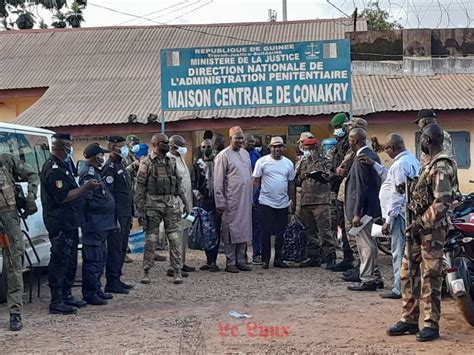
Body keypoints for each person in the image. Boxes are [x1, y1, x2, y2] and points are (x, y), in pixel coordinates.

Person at [387, 123, 458, 342]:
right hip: (417, 229)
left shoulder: (441, 165)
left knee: (431, 276)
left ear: (427, 141)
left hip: (432, 230)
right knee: (407, 273)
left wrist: (420, 223)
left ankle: (430, 324)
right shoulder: (428, 164)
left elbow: (442, 202)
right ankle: (409, 319)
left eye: (422, 141)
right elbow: (425, 190)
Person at [40, 133, 99, 315]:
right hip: (59, 222)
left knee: (71, 260)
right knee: (60, 260)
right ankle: (56, 300)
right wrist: (85, 187)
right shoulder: (54, 168)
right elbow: (63, 196)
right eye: (69, 146)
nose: (71, 149)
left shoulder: (66, 165)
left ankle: (66, 295)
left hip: (70, 221)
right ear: (62, 147)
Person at [359, 134, 420, 299]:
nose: (385, 151)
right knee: (405, 251)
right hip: (403, 213)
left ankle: (399, 288)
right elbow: (389, 178)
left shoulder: (400, 165)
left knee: (398, 252)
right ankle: (407, 285)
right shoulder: (409, 160)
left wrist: (388, 220)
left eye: (386, 148)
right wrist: (375, 165)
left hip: (398, 215)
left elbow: (398, 194)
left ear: (393, 148)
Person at [135, 133, 189, 285]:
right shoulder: (146, 163)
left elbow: (178, 184)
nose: (167, 145)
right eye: (164, 143)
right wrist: (140, 209)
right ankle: (146, 271)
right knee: (151, 240)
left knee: (174, 239)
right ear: (156, 144)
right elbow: (139, 187)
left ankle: (177, 270)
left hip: (171, 205)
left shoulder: (171, 162)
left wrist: (186, 203)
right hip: (152, 205)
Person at [0, 152, 38, 330]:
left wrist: (31, 197)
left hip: (8, 218)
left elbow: (32, 174)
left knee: (13, 265)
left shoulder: (5, 159)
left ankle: (15, 313)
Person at [344, 128, 383, 291]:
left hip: (364, 210)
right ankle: (376, 276)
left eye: (350, 139)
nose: (349, 142)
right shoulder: (372, 155)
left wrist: (357, 213)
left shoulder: (361, 158)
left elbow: (361, 188)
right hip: (372, 207)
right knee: (370, 242)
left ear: (354, 140)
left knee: (365, 244)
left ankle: (368, 279)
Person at [79, 144, 116, 306]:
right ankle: (90, 293)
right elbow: (85, 200)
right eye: (102, 155)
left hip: (103, 223)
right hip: (94, 224)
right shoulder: (88, 174)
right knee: (93, 260)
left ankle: (97, 289)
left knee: (100, 258)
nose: (104, 157)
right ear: (95, 156)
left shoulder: (97, 172)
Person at [252, 136, 296, 269]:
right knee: (266, 231)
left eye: (279, 147)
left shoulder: (288, 163)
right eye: (274, 147)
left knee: (280, 232)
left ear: (283, 148)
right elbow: (255, 181)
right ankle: (265, 259)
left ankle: (278, 258)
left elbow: (291, 183)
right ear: (270, 148)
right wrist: (252, 197)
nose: (277, 149)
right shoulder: (262, 161)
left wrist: (292, 199)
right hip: (266, 201)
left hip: (282, 203)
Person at [214, 126, 252, 273]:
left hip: (245, 200)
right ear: (231, 139)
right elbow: (218, 181)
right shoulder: (223, 156)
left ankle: (241, 260)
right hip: (230, 201)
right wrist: (220, 202)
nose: (240, 141)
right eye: (237, 138)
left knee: (244, 230)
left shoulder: (245, 154)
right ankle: (230, 262)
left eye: (242, 138)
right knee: (230, 232)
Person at [295, 137, 335, 268]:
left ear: (317, 148)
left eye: (311, 149)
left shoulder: (325, 161)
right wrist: (305, 175)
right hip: (306, 201)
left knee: (325, 231)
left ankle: (330, 257)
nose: (309, 151)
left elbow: (331, 176)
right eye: (306, 149)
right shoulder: (302, 162)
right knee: (310, 231)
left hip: (321, 201)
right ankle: (313, 256)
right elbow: (297, 180)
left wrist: (321, 174)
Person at [102, 136, 134, 294]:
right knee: (114, 249)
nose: (124, 149)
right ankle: (111, 281)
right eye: (121, 146)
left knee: (122, 249)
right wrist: (114, 218)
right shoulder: (109, 168)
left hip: (125, 214)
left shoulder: (120, 165)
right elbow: (110, 195)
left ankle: (117, 278)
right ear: (112, 147)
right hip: (117, 216)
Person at [327, 113, 355, 272]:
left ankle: (351, 257)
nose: (337, 131)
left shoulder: (349, 145)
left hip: (346, 188)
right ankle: (347, 256)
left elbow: (346, 167)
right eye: (335, 128)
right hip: (338, 188)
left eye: (339, 128)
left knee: (348, 223)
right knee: (341, 223)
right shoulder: (339, 143)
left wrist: (338, 172)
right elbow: (335, 166)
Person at [167, 135, 195, 274]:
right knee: (175, 236)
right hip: (175, 205)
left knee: (184, 234)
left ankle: (181, 262)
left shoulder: (180, 158)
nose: (184, 148)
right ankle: (174, 266)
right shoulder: (168, 160)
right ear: (173, 146)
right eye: (181, 145)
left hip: (186, 204)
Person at [192, 139, 221, 272]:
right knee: (205, 231)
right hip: (203, 202)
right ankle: (209, 260)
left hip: (217, 201)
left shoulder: (218, 163)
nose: (206, 149)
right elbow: (193, 182)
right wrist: (197, 194)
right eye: (203, 147)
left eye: (208, 146)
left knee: (216, 229)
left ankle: (214, 260)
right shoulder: (197, 164)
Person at [122, 134, 140, 265]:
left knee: (140, 221)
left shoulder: (135, 156)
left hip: (136, 194)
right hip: (127, 195)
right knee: (126, 224)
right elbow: (123, 173)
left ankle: (141, 247)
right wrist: (134, 165)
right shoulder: (124, 158)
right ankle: (123, 252)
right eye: (133, 144)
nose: (135, 146)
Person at [244, 133, 262, 264]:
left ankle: (257, 254)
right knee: (242, 228)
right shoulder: (237, 155)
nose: (252, 144)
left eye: (253, 142)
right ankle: (242, 255)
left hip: (256, 197)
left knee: (257, 226)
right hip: (241, 198)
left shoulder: (257, 156)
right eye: (249, 141)